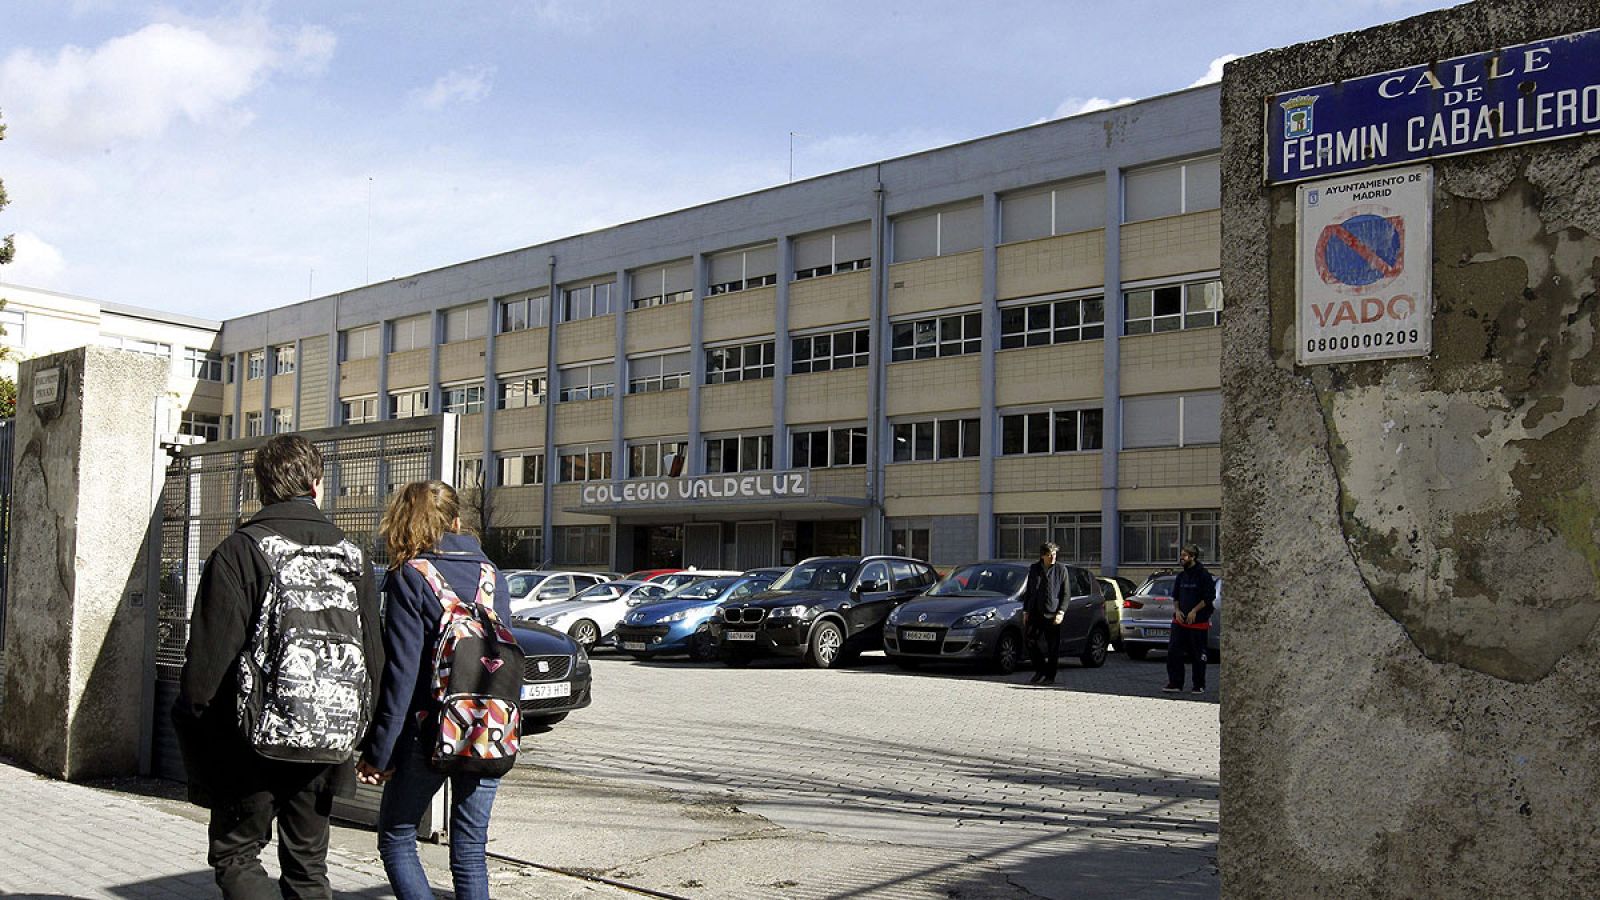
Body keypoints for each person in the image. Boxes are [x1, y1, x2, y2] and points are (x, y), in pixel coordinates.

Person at [174, 434, 383, 899]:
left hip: (248, 740)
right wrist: (367, 736)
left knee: (237, 855)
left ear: (261, 486)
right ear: (316, 483)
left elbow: (207, 666)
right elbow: (374, 653)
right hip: (326, 738)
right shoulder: (352, 556)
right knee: (309, 866)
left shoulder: (241, 550)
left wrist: (195, 731)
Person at [358, 480, 513, 900]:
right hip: (488, 729)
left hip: (426, 733)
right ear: (457, 520)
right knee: (469, 848)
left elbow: (402, 675)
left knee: (396, 834)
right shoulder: (490, 574)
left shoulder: (411, 575)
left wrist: (379, 752)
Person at [1164, 543, 1216, 694]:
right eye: (1181, 555)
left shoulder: (1203, 575)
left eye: (1184, 556)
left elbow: (1208, 597)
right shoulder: (1181, 576)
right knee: (1174, 653)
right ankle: (1175, 683)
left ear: (1192, 557)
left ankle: (1198, 685)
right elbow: (1176, 597)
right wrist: (1178, 610)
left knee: (1198, 655)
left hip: (1198, 623)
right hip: (1180, 622)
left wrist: (1194, 611)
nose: (1181, 558)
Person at [1023, 541, 1069, 685]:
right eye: (1049, 555)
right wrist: (1026, 611)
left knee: (1053, 647)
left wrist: (1061, 612)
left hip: (1053, 613)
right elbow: (1029, 591)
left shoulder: (1061, 570)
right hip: (1035, 612)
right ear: (1043, 556)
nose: (1052, 558)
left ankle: (1050, 676)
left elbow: (1066, 593)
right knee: (1030, 641)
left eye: (1054, 554)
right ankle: (1040, 669)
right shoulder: (1034, 568)